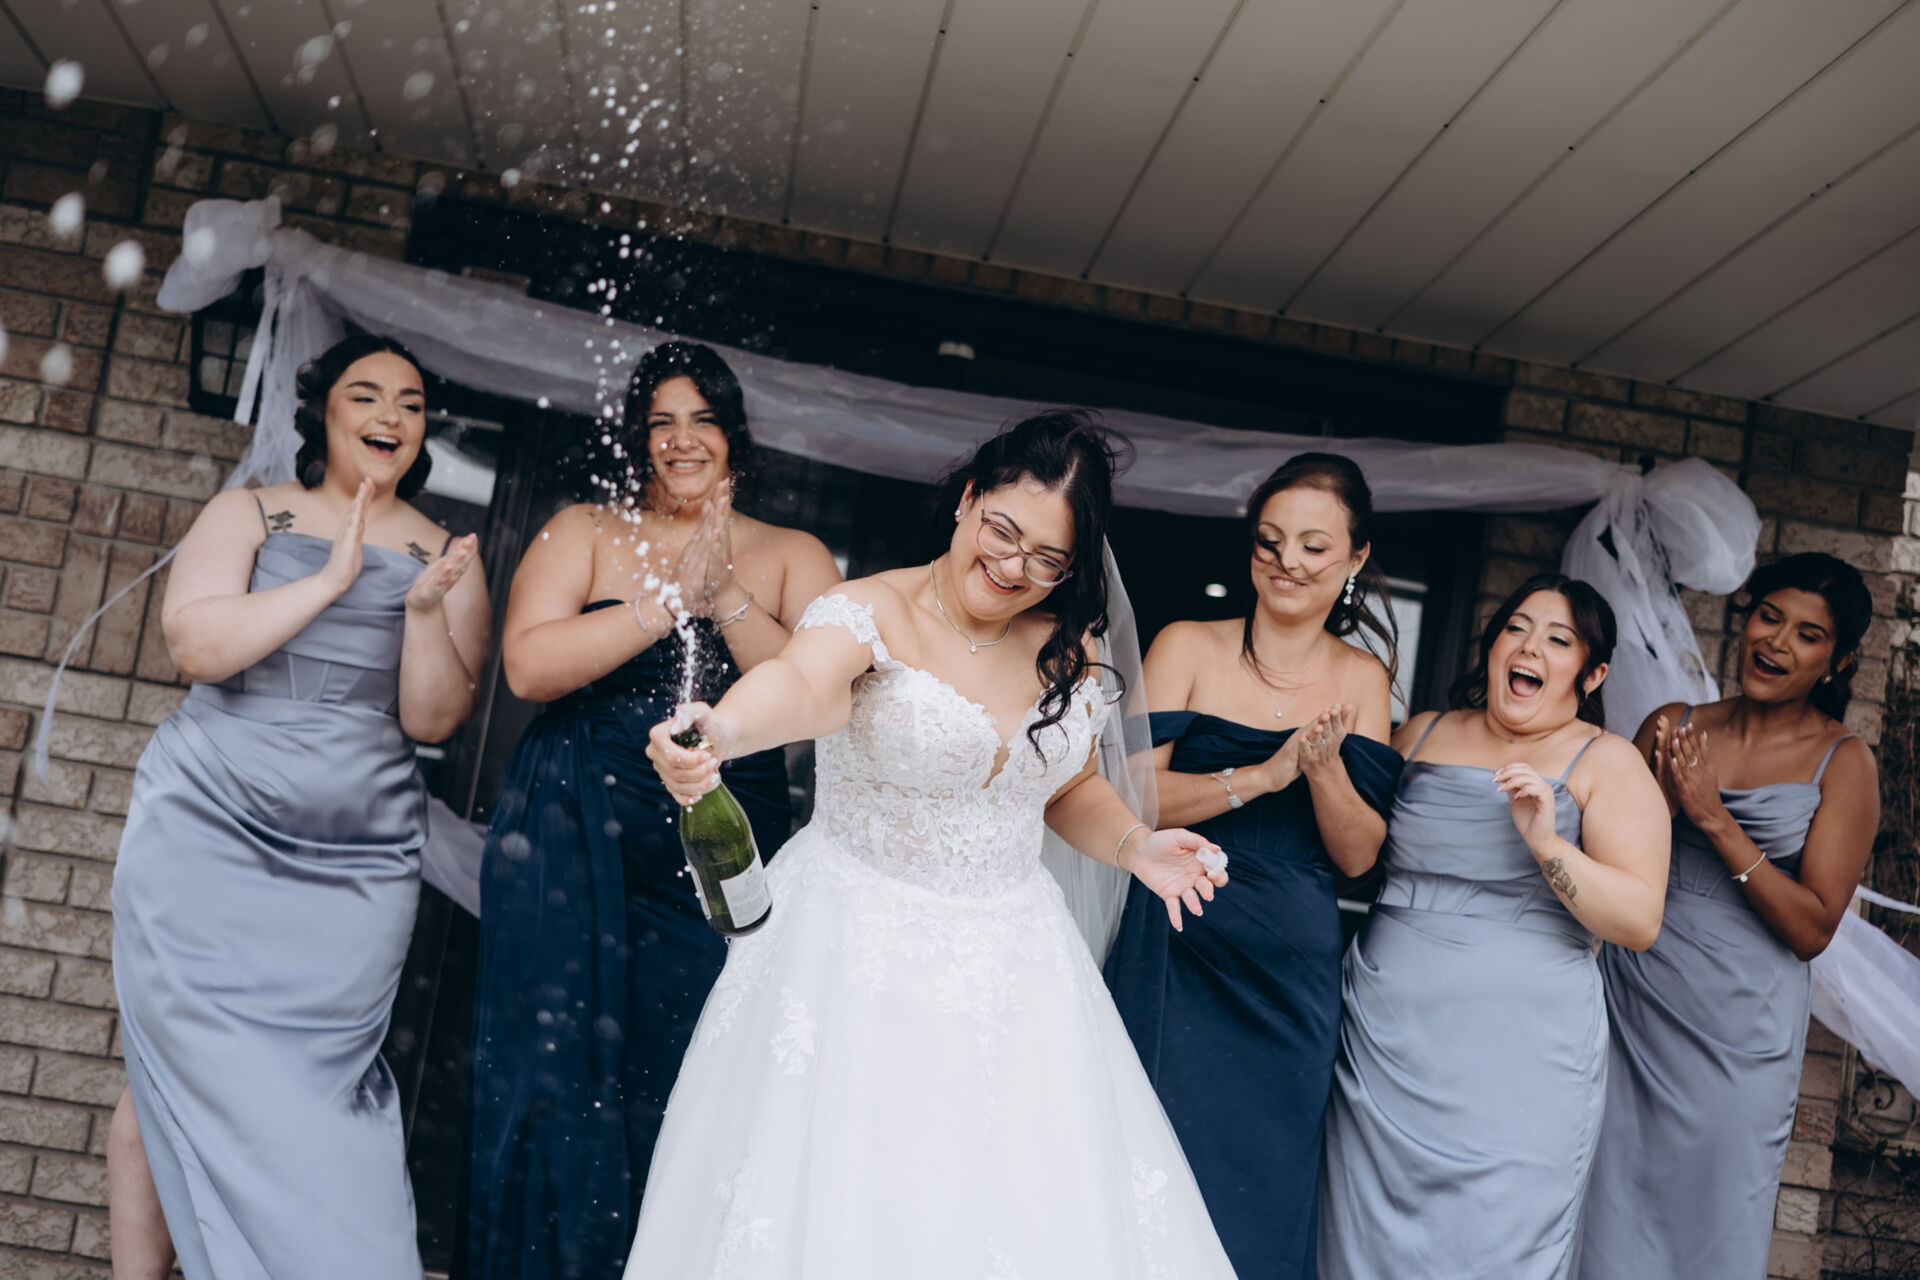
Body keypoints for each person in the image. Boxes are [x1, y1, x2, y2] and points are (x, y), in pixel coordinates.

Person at [625, 411, 1236, 1278]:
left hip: (1017, 965)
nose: (1014, 568)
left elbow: (1064, 787)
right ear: (967, 499)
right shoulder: (871, 611)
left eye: (1048, 559)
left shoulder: (1068, 645)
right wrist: (719, 729)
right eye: (1003, 531)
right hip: (850, 949)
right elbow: (801, 685)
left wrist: (1135, 844)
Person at [107, 333, 491, 1279]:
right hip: (209, 824)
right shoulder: (248, 512)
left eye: (410, 403)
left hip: (356, 854)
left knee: (320, 1088)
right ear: (324, 410)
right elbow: (195, 649)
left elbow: (434, 716)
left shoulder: (447, 555)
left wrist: (421, 611)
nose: (390, 415)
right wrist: (328, 582)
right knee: (167, 1072)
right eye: (367, 394)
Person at [464, 341, 841, 1280]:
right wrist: (670, 600)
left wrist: (726, 595)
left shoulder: (794, 554)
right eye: (660, 421)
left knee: (689, 1062)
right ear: (637, 437)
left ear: (733, 436)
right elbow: (529, 668)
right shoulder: (584, 528)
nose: (681, 440)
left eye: (701, 419)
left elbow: (825, 700)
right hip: (570, 822)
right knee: (550, 1064)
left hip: (716, 836)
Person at [1318, 573, 1670, 1280]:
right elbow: (1353, 861)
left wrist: (1547, 843)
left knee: (1494, 1243)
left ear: (1593, 674)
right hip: (1386, 1043)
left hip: (1523, 1061)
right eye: (1517, 628)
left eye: (1558, 640)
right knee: (1360, 1242)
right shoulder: (1421, 732)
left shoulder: (1607, 761)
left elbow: (1638, 921)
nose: (1529, 647)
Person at [1103, 452, 1400, 1280]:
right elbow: (1132, 800)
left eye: (1313, 545)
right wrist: (1264, 777)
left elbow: (1359, 857)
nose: (1287, 562)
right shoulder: (1188, 645)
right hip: (1175, 935)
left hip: (1286, 973)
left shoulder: (1363, 678)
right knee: (1144, 1162)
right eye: (1271, 541)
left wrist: (1324, 770)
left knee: (1260, 1189)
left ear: (1356, 557)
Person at [1578, 552, 1878, 1279]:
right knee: (1600, 1217)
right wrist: (1656, 810)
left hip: (1740, 1037)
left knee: (1707, 1232)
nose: (1777, 641)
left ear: (1838, 661)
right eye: (1768, 617)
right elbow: (1607, 867)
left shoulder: (1844, 763)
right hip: (1632, 1007)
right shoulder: (1671, 725)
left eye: (1807, 634)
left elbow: (1812, 929)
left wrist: (1714, 819)